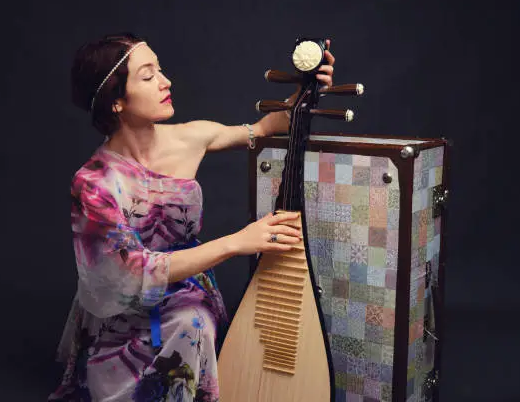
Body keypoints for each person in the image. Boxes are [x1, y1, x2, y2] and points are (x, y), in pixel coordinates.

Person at [49, 32, 335, 401]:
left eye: (161, 70)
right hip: (122, 308)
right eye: (148, 76)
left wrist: (308, 90)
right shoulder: (94, 182)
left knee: (191, 323)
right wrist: (237, 242)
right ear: (116, 101)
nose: (166, 81)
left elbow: (266, 127)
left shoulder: (191, 137)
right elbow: (130, 271)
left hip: (183, 293)